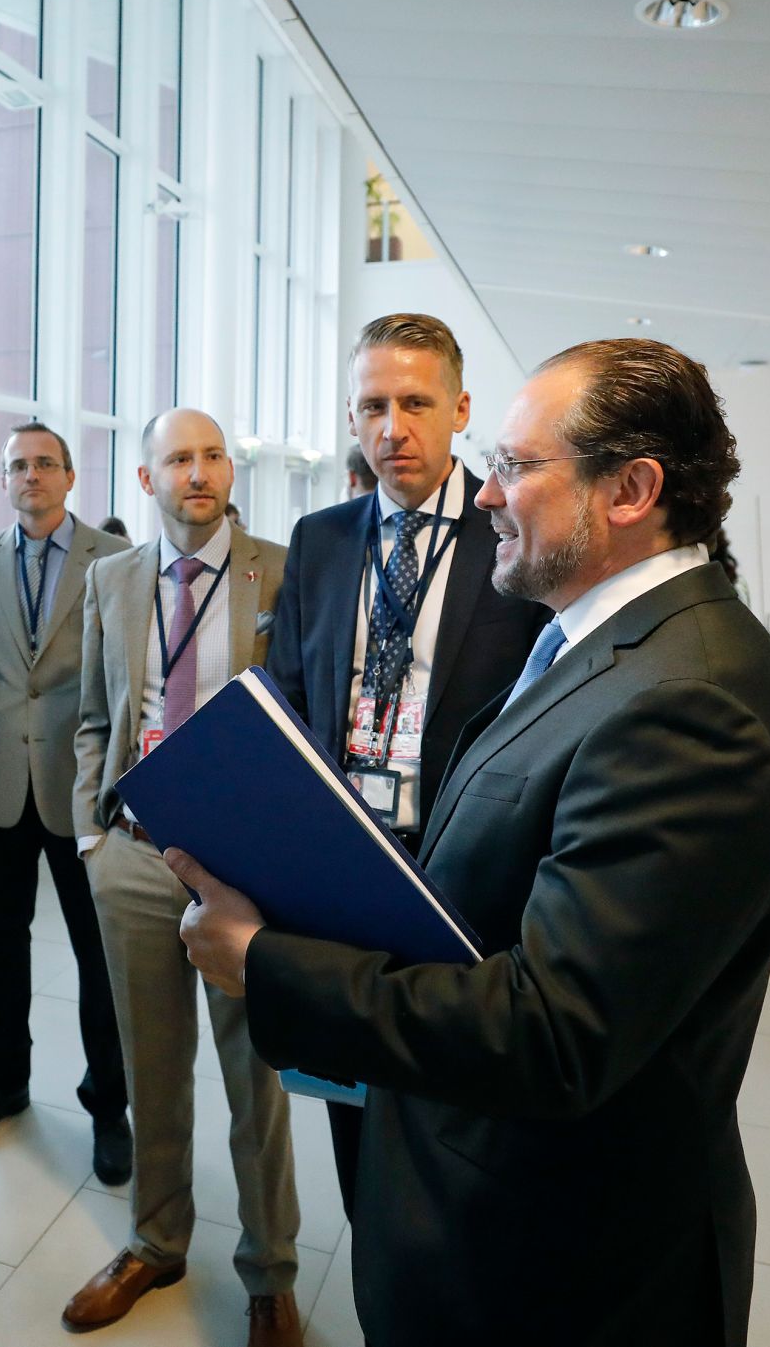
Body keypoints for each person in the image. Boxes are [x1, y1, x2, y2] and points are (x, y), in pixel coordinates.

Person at [181, 339, 770, 1347]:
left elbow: (550, 1030)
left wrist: (263, 962)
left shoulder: (693, 705)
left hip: (556, 1263)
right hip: (481, 1204)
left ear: (630, 489)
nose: (483, 493)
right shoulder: (600, 641)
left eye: (518, 466)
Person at [264, 313, 547, 1219]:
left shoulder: (512, 537)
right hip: (347, 866)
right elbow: (290, 696)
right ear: (352, 419)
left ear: (461, 408)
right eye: (373, 405)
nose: (394, 428)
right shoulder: (320, 539)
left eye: (416, 402)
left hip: (462, 868)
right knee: (356, 1118)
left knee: (456, 1130)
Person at [71, 408, 303, 1347]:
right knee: (151, 1065)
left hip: (245, 862)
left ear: (230, 471)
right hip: (134, 848)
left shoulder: (281, 570)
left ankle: (269, 1273)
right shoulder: (111, 577)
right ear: (145, 479)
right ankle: (157, 1238)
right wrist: (93, 832)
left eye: (212, 456)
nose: (198, 472)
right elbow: (96, 713)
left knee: (257, 1076)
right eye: (178, 458)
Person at [0, 422, 132, 1180]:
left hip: (83, 789)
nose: (31, 476)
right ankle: (4, 1083)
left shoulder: (115, 560)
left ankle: (108, 1105)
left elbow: (127, 682)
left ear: (70, 476)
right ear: (4, 480)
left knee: (98, 953)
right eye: (17, 466)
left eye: (45, 463)